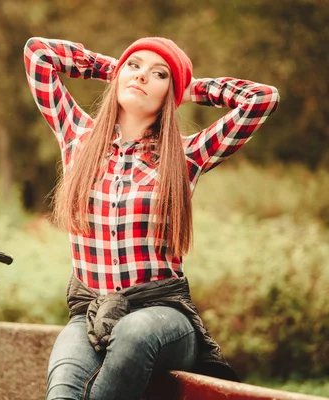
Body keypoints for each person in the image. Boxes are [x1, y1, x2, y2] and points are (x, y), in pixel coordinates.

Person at [23, 36, 280, 400]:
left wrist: (189, 88)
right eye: (135, 65)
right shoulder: (77, 137)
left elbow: (261, 99)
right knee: (64, 387)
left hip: (163, 317)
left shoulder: (186, 155)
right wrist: (115, 70)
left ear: (170, 93)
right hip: (92, 312)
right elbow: (38, 53)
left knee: (133, 332)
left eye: (158, 74)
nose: (142, 76)